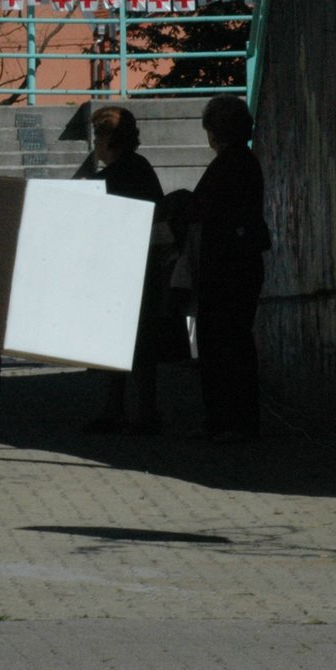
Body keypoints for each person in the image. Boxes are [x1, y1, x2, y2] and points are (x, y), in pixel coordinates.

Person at [80, 106, 169, 435]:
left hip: (124, 271)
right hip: (142, 267)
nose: (95, 145)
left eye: (97, 137)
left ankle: (129, 412)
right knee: (137, 343)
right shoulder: (141, 168)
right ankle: (139, 411)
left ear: (106, 139)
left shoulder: (108, 179)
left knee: (126, 343)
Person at [188, 95, 271, 444]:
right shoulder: (246, 162)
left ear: (215, 131)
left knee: (222, 343)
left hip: (225, 266)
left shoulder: (228, 165)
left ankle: (228, 419)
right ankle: (237, 417)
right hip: (242, 263)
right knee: (235, 340)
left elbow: (204, 208)